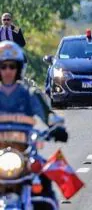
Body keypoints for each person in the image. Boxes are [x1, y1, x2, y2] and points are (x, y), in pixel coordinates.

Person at [0, 41, 68, 210]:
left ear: (18, 69)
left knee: (47, 178)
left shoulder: (29, 94)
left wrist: (56, 128)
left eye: (12, 66)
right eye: (3, 66)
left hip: (25, 154)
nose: (7, 71)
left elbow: (49, 117)